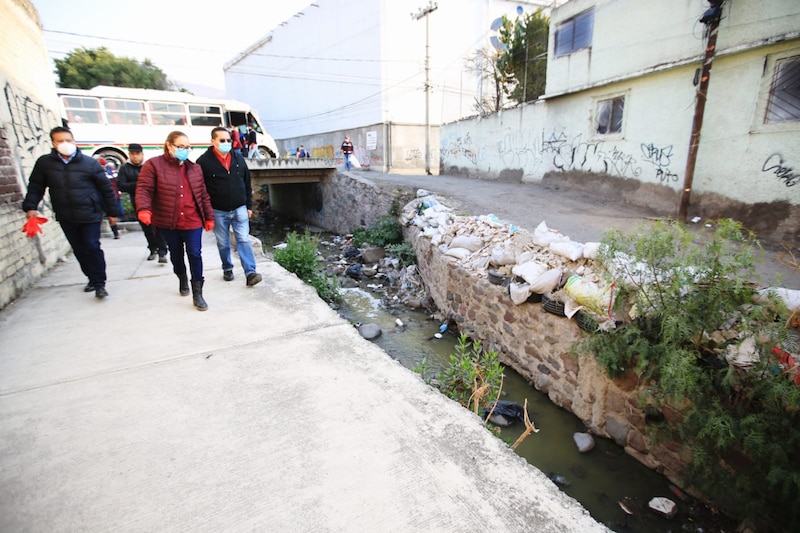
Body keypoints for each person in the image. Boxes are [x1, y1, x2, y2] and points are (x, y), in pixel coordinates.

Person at [22, 126, 121, 298]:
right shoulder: (45, 164)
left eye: (68, 140)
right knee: (79, 249)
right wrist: (31, 206)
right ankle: (91, 278)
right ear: (53, 143)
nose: (65, 144)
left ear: (74, 141)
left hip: (90, 213)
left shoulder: (89, 164)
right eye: (60, 141)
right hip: (66, 214)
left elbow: (106, 189)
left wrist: (112, 212)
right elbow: (36, 187)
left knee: (92, 246)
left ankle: (99, 284)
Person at [135, 131, 215, 311]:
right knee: (176, 255)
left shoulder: (194, 168)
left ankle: (198, 293)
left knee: (195, 254)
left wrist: (209, 217)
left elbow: (203, 195)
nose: (185, 150)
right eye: (181, 146)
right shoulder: (153, 165)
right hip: (168, 221)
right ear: (169, 146)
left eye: (187, 147)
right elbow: (144, 189)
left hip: (192, 219)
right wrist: (144, 209)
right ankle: (181, 277)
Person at [197, 127, 262, 287]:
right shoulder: (203, 162)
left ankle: (250, 272)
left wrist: (248, 205)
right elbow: (201, 190)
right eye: (222, 140)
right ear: (213, 141)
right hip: (218, 210)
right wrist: (206, 214)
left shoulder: (238, 159)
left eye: (228, 140)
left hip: (240, 208)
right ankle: (227, 267)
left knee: (243, 239)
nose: (226, 143)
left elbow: (247, 182)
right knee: (223, 243)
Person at [117, 143, 168, 262]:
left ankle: (162, 251)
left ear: (142, 154)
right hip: (138, 202)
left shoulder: (149, 165)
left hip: (154, 201)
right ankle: (152, 248)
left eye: (137, 154)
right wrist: (140, 184)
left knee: (158, 227)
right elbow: (121, 185)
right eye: (132, 154)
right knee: (147, 228)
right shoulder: (125, 168)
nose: (135, 157)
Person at [98, 157, 122, 239]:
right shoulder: (98, 172)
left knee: (114, 215)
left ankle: (115, 232)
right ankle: (116, 233)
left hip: (112, 196)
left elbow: (116, 183)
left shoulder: (111, 170)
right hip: (104, 197)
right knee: (110, 216)